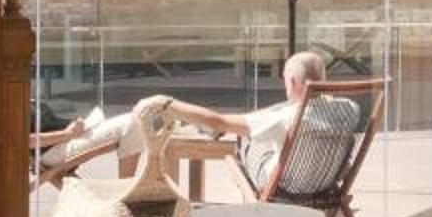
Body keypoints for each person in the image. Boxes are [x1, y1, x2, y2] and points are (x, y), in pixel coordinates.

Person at [32, 50, 325, 186]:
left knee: (244, 139)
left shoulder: (286, 119)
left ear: (294, 83)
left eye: (284, 79)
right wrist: (66, 134)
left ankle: (129, 189)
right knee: (133, 122)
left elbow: (219, 123)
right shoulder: (342, 109)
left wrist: (168, 103)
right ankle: (130, 188)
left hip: (281, 183)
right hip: (320, 184)